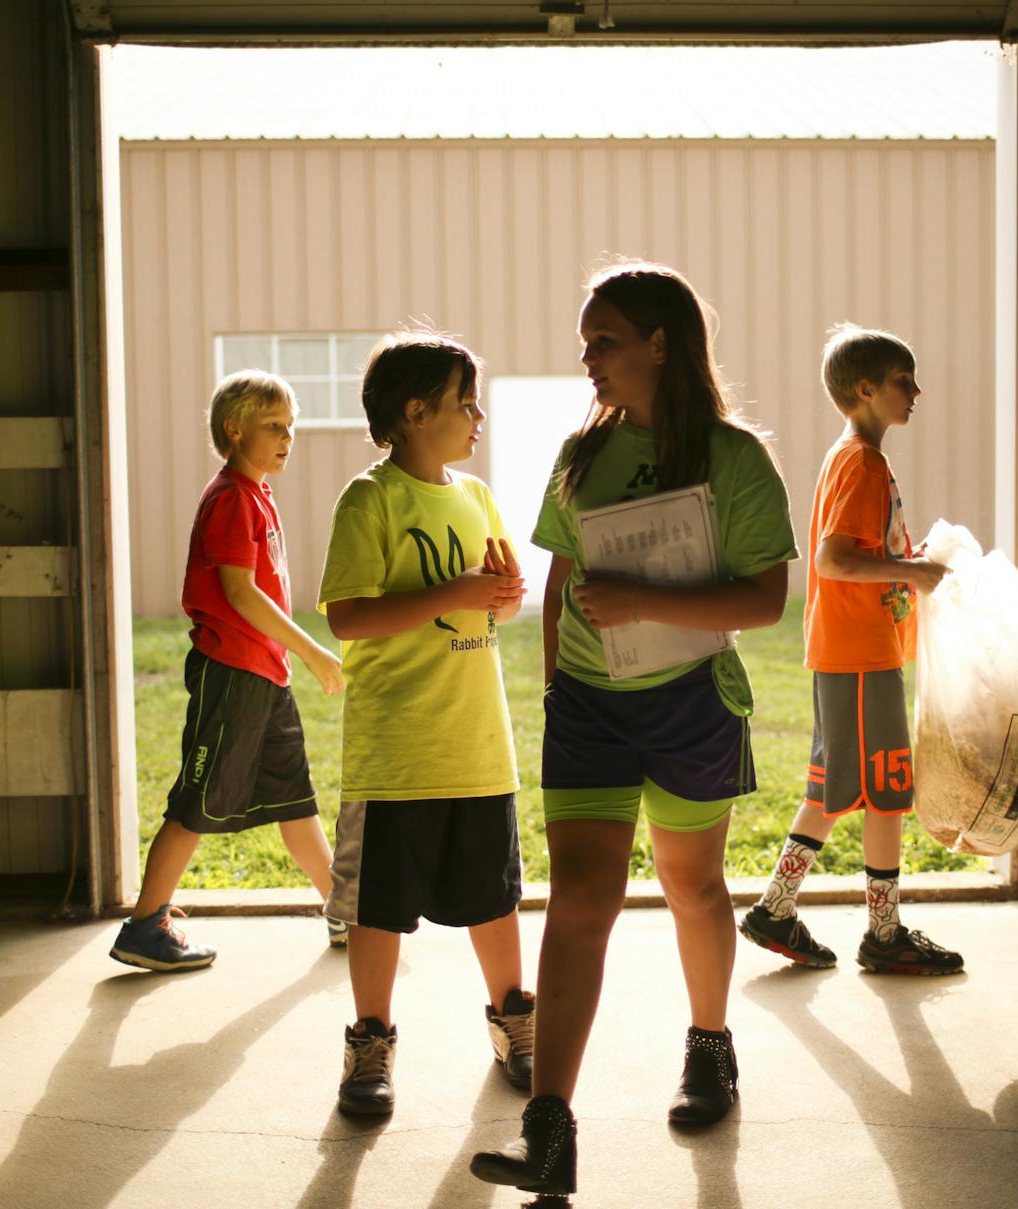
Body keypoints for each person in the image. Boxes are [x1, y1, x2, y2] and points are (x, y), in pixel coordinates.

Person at [471, 262, 797, 1198]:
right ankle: (549, 1126)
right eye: (586, 342)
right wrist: (553, 690)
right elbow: (563, 580)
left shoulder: (736, 460)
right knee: (579, 898)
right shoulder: (582, 453)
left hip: (690, 700)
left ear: (661, 342)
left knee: (693, 888)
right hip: (587, 705)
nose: (588, 358)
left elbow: (766, 599)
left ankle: (710, 1046)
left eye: (602, 339)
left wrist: (646, 597)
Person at [318, 331, 534, 1117]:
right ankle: (369, 1041)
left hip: (476, 743)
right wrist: (458, 591)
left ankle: (515, 1019)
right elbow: (348, 614)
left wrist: (499, 598)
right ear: (414, 412)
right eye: (462, 401)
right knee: (379, 909)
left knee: (494, 897)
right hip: (395, 753)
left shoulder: (474, 497)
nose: (477, 416)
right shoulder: (369, 500)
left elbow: (494, 596)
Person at [738, 323, 964, 978]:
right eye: (904, 380)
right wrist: (912, 575)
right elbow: (835, 560)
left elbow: (861, 550)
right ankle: (882, 932)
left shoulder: (859, 459)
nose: (916, 391)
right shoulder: (862, 462)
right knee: (886, 788)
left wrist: (910, 560)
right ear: (865, 389)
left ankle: (777, 908)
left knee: (838, 786)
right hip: (860, 652)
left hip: (857, 649)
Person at [110, 370, 345, 972]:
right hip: (233, 673)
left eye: (291, 426)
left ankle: (344, 910)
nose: (287, 436)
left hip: (266, 675)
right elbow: (240, 594)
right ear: (233, 429)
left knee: (295, 800)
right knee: (196, 800)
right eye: (274, 426)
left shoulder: (258, 493)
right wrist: (312, 650)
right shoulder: (231, 498)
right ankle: (144, 925)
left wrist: (287, 659)